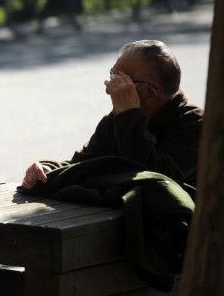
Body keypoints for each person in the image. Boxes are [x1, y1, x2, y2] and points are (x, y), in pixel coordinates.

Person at [21, 39, 203, 189]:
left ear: (149, 94)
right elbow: (84, 164)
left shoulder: (194, 124)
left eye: (120, 81)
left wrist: (129, 116)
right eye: (111, 75)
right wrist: (47, 170)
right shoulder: (117, 119)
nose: (109, 90)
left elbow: (155, 180)